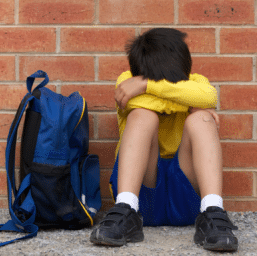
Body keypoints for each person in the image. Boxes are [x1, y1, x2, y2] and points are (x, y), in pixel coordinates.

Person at [90, 28, 238, 252]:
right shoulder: (126, 81)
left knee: (202, 120)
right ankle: (125, 207)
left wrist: (148, 86)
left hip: (187, 197)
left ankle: (212, 212)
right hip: (142, 196)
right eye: (148, 81)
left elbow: (209, 97)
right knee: (142, 115)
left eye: (174, 85)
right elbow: (134, 104)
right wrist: (187, 102)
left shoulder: (197, 82)